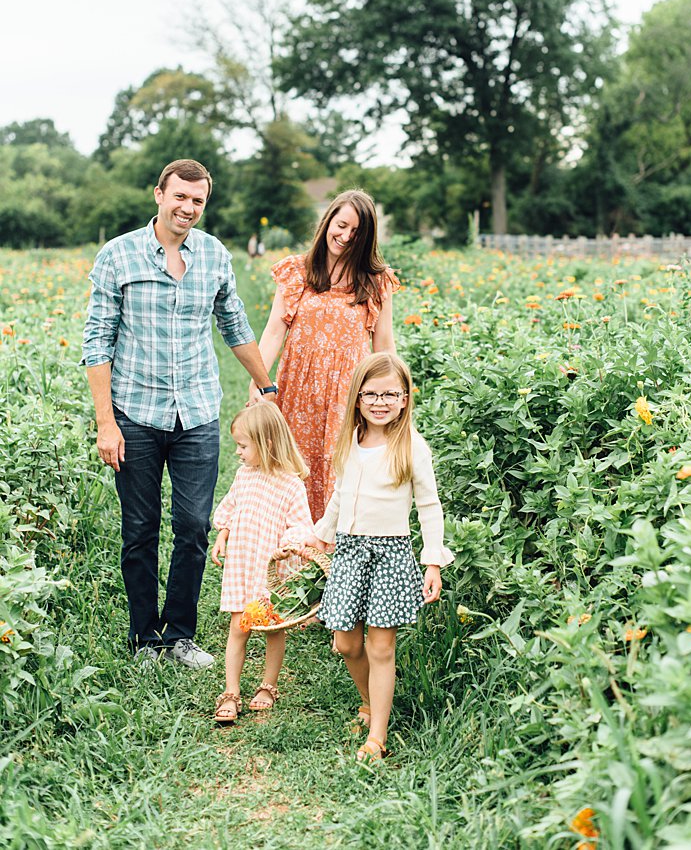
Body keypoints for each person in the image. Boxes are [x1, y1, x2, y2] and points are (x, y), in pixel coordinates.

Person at [82, 159, 279, 667]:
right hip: (134, 413)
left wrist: (266, 384)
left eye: (198, 201)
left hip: (195, 411)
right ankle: (145, 638)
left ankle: (180, 635)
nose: (188, 208)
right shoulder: (117, 256)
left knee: (193, 525)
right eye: (180, 198)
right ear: (159, 195)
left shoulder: (214, 255)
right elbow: (97, 342)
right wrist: (106, 422)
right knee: (141, 529)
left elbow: (234, 324)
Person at [304, 352, 452, 763]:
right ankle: (369, 700)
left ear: (405, 399)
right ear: (357, 398)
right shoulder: (351, 442)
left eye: (391, 393)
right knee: (347, 643)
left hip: (390, 553)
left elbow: (429, 507)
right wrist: (319, 535)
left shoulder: (411, 447)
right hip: (350, 551)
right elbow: (339, 496)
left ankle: (377, 735)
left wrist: (432, 560)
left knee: (381, 648)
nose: (381, 401)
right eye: (372, 393)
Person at [256, 190, 398, 521]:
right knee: (293, 469)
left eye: (357, 233)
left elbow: (385, 346)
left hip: (347, 396)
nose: (346, 237)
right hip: (298, 390)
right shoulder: (298, 271)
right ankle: (291, 560)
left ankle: (333, 563)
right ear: (327, 221)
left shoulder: (376, 281)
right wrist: (259, 381)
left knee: (341, 474)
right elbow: (274, 331)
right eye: (342, 225)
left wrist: (391, 397)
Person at [209, 403, 316, 725]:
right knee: (239, 627)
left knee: (273, 629)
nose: (238, 453)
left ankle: (268, 685)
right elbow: (229, 507)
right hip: (243, 565)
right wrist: (222, 535)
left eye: (243, 445)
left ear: (267, 443)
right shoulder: (244, 477)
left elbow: (301, 525)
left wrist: (290, 544)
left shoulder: (290, 485)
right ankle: (231, 690)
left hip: (271, 572)